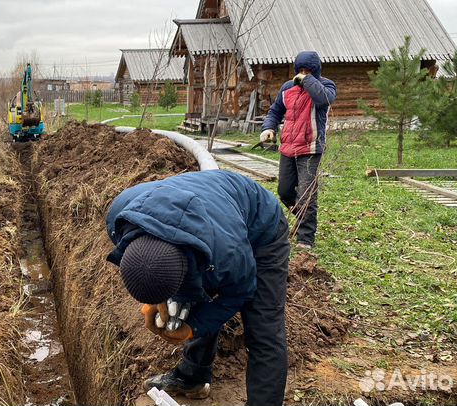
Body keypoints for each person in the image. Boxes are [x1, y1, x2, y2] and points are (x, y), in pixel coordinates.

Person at [105, 170, 290, 406]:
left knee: (264, 329)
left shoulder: (228, 257)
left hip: (261, 228)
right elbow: (150, 262)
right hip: (210, 210)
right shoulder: (120, 217)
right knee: (190, 294)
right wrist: (156, 297)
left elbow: (239, 292)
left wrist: (194, 327)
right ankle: (192, 377)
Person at [260, 51, 337, 250]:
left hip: (311, 148)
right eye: (300, 70)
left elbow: (323, 100)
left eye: (308, 70)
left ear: (316, 71)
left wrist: (308, 80)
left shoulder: (325, 86)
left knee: (307, 195)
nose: (303, 73)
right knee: (284, 191)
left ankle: (306, 238)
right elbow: (275, 111)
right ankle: (304, 218)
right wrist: (268, 128)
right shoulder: (287, 88)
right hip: (288, 147)